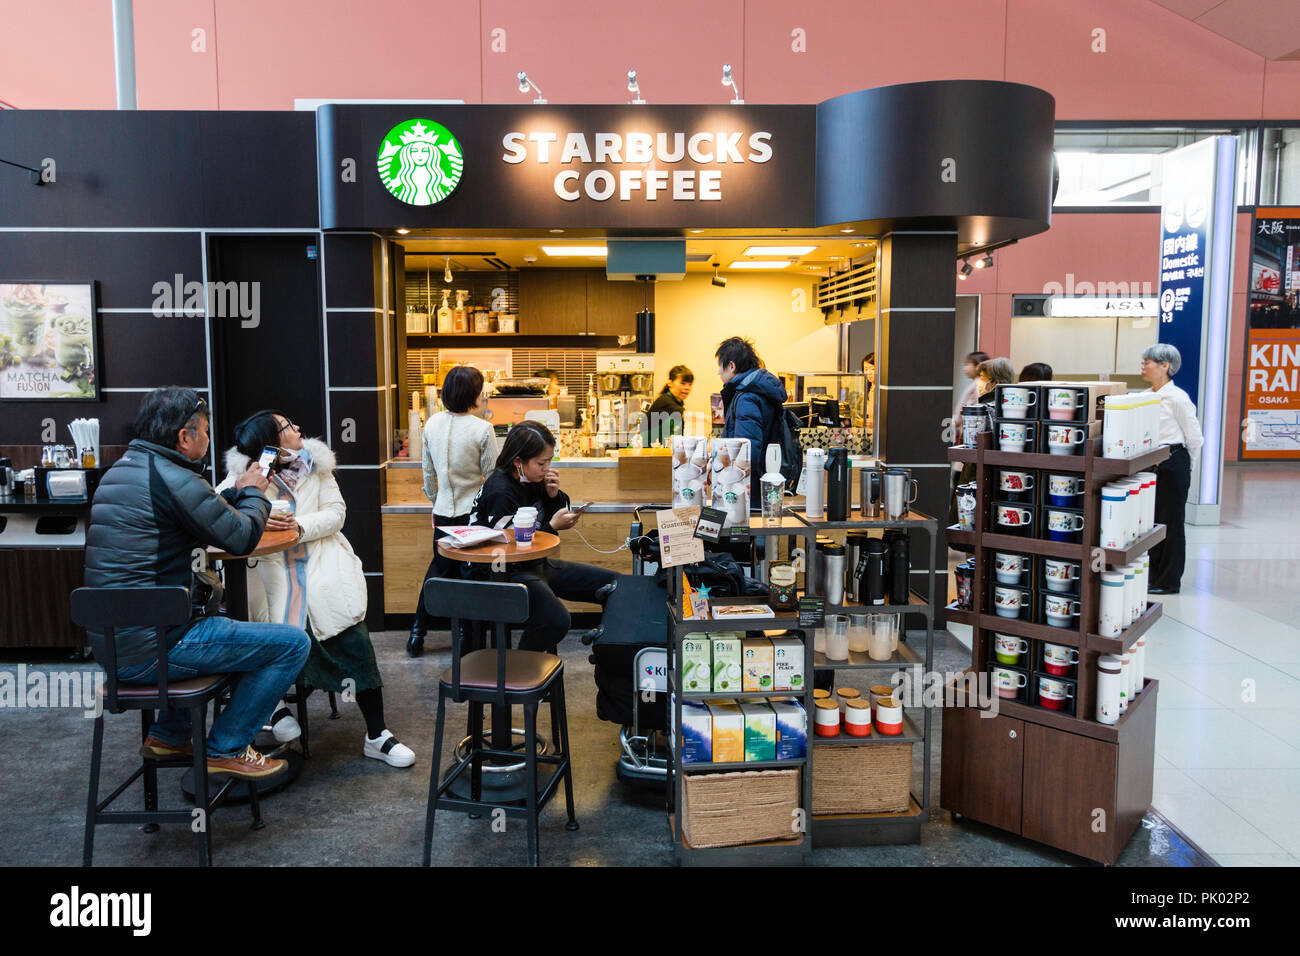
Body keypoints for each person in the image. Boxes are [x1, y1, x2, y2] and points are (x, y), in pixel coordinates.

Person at [83, 387, 309, 780]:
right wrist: (255, 491)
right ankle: (227, 747)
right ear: (184, 438)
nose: (208, 439)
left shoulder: (118, 472)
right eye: (204, 432)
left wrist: (237, 494)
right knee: (290, 644)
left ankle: (170, 733)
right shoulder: (176, 480)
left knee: (225, 631)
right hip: (157, 650)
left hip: (114, 649)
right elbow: (240, 538)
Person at [217, 410, 415, 768]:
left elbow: (337, 513)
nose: (298, 429)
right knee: (264, 638)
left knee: (353, 640)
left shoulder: (316, 465)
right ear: (270, 444)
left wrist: (297, 525)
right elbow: (216, 515)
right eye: (287, 428)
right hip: (269, 572)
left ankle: (378, 735)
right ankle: (275, 712)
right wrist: (244, 493)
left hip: (319, 562)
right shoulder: (245, 474)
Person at [466, 421, 617, 652]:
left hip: (534, 564)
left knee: (616, 586)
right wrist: (552, 527)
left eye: (550, 461)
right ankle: (521, 668)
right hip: (499, 573)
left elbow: (558, 509)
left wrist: (553, 495)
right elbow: (509, 551)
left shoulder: (532, 479)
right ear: (518, 461)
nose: (547, 468)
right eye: (541, 462)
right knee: (556, 620)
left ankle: (611, 661)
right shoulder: (500, 491)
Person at [408, 365, 496, 657]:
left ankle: (417, 633)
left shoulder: (431, 424)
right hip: (471, 515)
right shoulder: (483, 429)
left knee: (439, 570)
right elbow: (491, 477)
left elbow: (428, 475)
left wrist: (438, 501)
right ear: (474, 394)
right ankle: (465, 641)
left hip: (442, 512)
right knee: (469, 577)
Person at [1140, 344, 1203, 595]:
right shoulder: (1145, 396)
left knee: (1171, 523)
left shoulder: (1178, 398)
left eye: (1148, 362)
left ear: (1165, 366)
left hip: (1173, 461)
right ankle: (1153, 576)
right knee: (1152, 522)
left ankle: (1168, 581)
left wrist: (1187, 469)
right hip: (1150, 463)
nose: (1143, 367)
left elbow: (1195, 438)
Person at [716, 336, 788, 501]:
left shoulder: (747, 398)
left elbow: (747, 450)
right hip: (761, 480)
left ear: (732, 366)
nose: (718, 372)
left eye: (720, 366)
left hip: (748, 488)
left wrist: (726, 474)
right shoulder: (756, 390)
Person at [647, 364, 693, 446]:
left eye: (690, 384)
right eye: (683, 383)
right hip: (644, 450)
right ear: (670, 383)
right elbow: (686, 415)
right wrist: (710, 419)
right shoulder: (664, 400)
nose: (687, 387)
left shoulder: (679, 404)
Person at [953, 350, 990, 425]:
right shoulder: (976, 382)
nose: (964, 368)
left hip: (971, 424)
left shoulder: (979, 383)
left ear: (978, 366)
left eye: (967, 364)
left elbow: (978, 404)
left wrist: (957, 420)